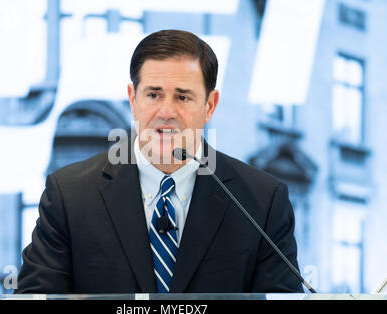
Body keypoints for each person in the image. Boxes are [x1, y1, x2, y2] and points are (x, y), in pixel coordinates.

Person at [15, 29, 303, 294]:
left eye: (183, 97)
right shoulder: (69, 195)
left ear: (210, 105)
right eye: (153, 94)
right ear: (133, 99)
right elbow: (35, 298)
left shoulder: (262, 201)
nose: (167, 111)